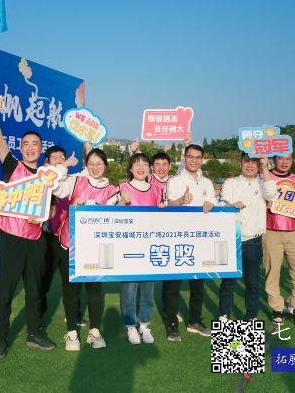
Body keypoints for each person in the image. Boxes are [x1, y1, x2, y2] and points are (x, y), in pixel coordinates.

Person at [0, 104, 58, 359]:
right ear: (20, 148)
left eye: (34, 144)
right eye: (26, 143)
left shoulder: (46, 177)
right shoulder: (12, 167)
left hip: (36, 240)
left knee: (35, 289)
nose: (30, 147)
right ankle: (1, 339)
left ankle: (34, 332)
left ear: (41, 149)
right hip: (11, 238)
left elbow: (52, 209)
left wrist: (42, 218)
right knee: (5, 289)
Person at [53, 148, 119, 350]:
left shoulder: (112, 190)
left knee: (95, 290)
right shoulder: (76, 181)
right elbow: (55, 187)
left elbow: (109, 212)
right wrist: (64, 166)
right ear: (86, 166)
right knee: (71, 289)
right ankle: (72, 333)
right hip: (70, 243)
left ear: (105, 166)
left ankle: (95, 331)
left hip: (96, 247)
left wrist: (88, 203)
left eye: (99, 164)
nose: (95, 167)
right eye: (91, 164)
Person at [163, 144, 216, 342]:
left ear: (202, 159)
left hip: (200, 239)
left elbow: (212, 202)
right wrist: (181, 200)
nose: (194, 160)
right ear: (184, 157)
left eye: (198, 157)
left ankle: (195, 321)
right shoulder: (175, 181)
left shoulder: (207, 183)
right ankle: (172, 324)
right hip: (177, 238)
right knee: (173, 285)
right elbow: (170, 204)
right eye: (190, 156)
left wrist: (211, 203)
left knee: (198, 284)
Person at [218, 152, 277, 323]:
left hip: (254, 240)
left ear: (259, 164)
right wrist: (231, 205)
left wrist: (265, 168)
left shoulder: (263, 182)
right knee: (228, 281)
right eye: (246, 161)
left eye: (254, 162)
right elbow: (222, 203)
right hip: (232, 238)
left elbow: (271, 195)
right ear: (240, 163)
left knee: (252, 282)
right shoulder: (231, 182)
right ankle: (224, 314)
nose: (250, 165)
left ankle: (251, 315)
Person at [118, 153, 165, 345]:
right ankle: (130, 325)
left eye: (144, 163)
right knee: (129, 288)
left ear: (149, 168)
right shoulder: (123, 188)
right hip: (129, 246)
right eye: (136, 164)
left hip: (150, 245)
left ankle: (144, 324)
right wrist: (122, 202)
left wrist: (163, 209)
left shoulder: (156, 189)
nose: (140, 167)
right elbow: (112, 216)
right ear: (130, 169)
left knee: (147, 288)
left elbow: (161, 218)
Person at [263, 154, 295, 326]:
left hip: (294, 229)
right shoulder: (263, 176)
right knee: (272, 271)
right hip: (270, 229)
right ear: (274, 159)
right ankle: (277, 307)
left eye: (289, 159)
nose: (285, 162)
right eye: (281, 158)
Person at [38, 146, 84, 329]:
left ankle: (74, 314)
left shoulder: (73, 180)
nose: (59, 160)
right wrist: (62, 166)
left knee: (71, 280)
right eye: (54, 158)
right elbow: (53, 180)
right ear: (46, 162)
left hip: (68, 238)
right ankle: (38, 316)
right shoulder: (42, 180)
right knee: (43, 280)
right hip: (47, 237)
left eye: (62, 157)